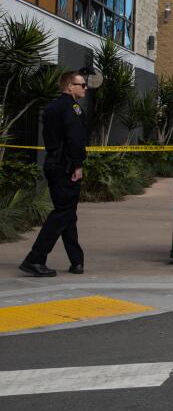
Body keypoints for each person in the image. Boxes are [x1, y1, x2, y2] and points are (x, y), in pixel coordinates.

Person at [20, 72, 89, 277]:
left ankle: (76, 260)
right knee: (62, 213)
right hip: (65, 166)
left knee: (67, 212)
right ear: (69, 86)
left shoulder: (52, 107)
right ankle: (35, 258)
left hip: (53, 163)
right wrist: (78, 165)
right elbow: (75, 139)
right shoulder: (72, 109)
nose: (85, 88)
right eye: (82, 85)